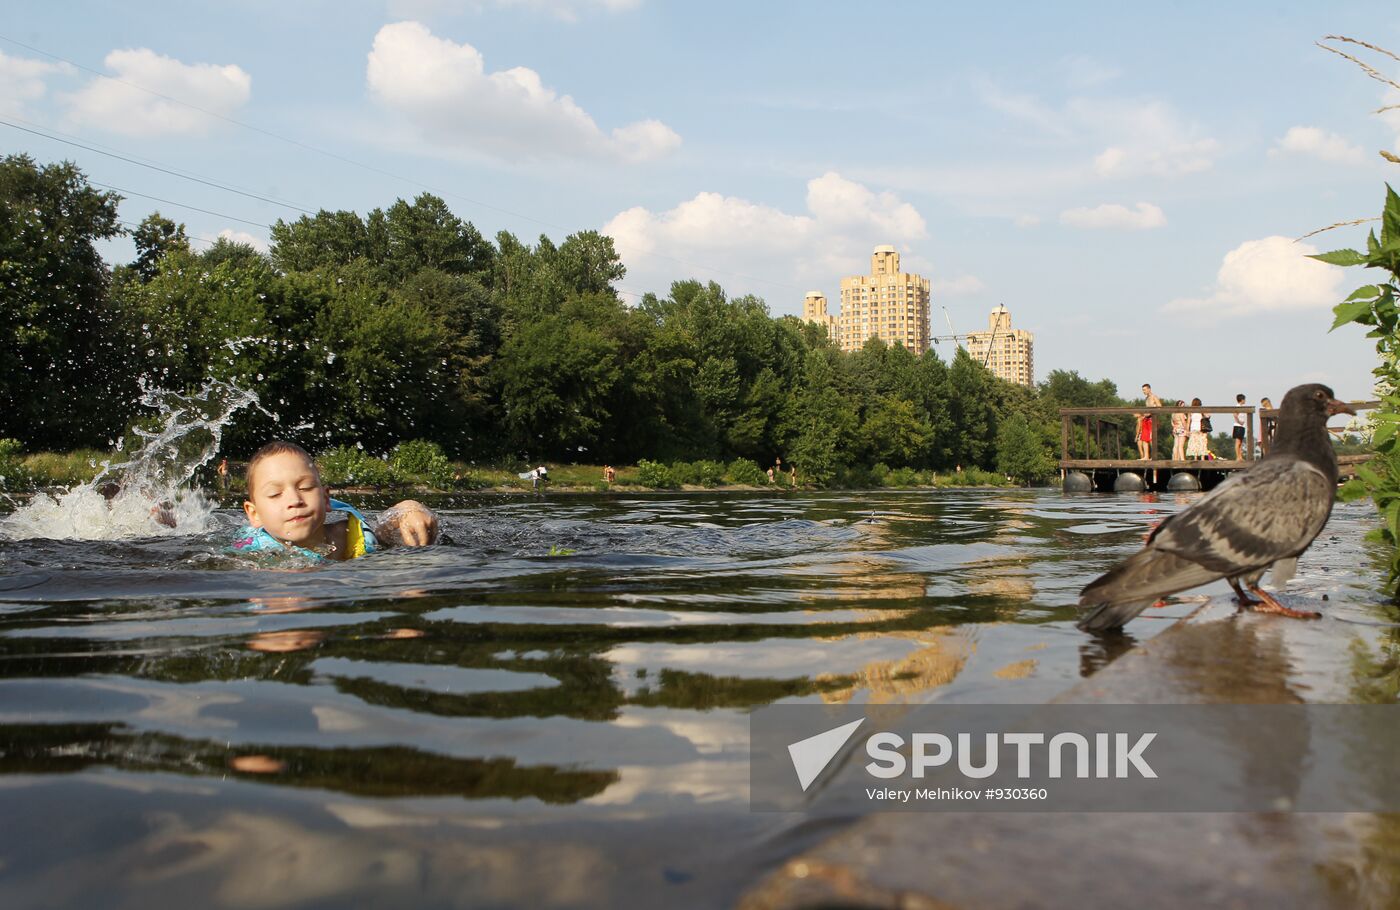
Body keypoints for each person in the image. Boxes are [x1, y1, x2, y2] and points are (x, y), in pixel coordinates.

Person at [232, 441, 437, 560]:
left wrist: (410, 508)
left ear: (325, 498)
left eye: (305, 487)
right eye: (276, 494)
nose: (294, 500)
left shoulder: (348, 535)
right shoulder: (251, 555)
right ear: (254, 514)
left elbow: (390, 524)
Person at [1136, 383, 1161, 460]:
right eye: (1142, 390)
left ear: (1149, 389)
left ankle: (1153, 456)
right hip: (1146, 419)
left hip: (1152, 419)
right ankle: (1146, 456)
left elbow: (1160, 406)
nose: (1143, 391)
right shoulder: (1146, 399)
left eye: (1144, 389)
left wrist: (1152, 410)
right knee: (1144, 438)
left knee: (1151, 438)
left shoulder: (1154, 397)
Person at [1233, 393, 1248, 460]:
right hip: (1238, 426)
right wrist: (1239, 422)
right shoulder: (1238, 406)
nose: (1245, 400)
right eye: (1244, 399)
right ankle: (1238, 457)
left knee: (1240, 443)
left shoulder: (1243, 407)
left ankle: (1240, 457)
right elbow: (1235, 415)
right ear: (1241, 400)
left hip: (1242, 426)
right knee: (1238, 442)